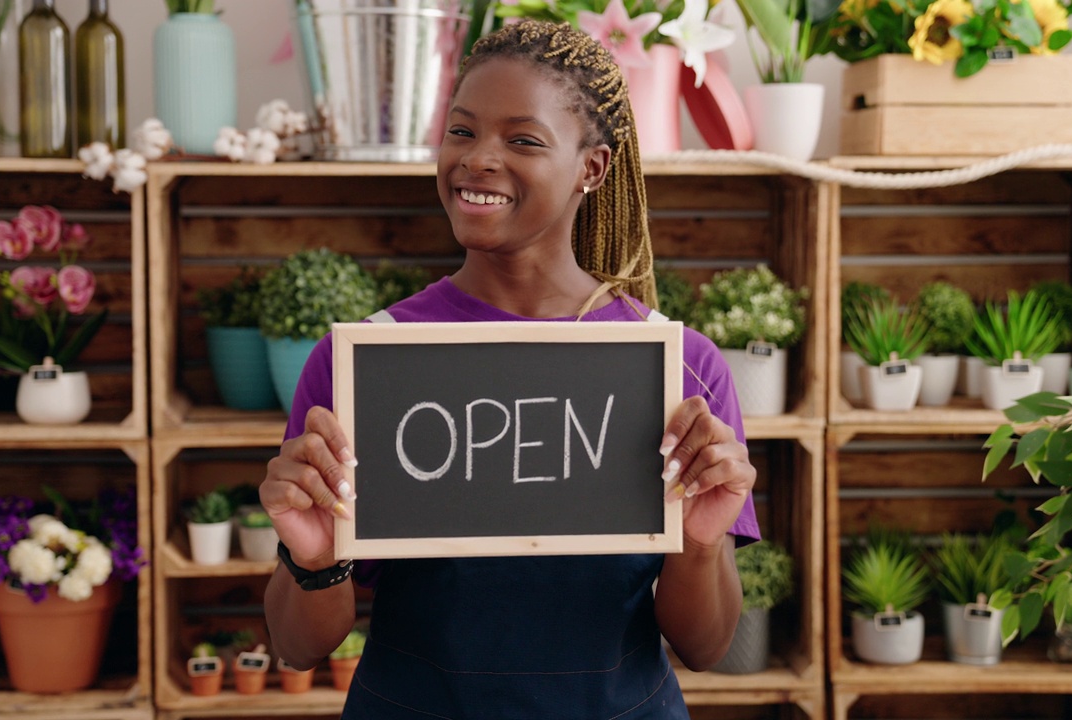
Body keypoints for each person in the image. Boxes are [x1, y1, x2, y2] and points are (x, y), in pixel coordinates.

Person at [261, 19, 759, 718]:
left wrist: (700, 545)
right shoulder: (364, 363)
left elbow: (706, 647)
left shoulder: (680, 368)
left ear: (593, 168)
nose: (478, 159)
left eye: (522, 140)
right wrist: (314, 561)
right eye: (462, 132)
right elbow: (297, 644)